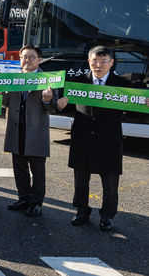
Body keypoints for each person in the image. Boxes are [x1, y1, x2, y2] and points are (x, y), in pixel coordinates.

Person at [57, 46, 138, 232]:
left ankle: (108, 216)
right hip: (82, 137)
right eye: (95, 61)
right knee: (80, 178)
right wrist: (60, 105)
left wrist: (144, 103)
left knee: (110, 180)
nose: (98, 65)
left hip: (109, 139)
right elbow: (67, 107)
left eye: (103, 61)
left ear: (111, 63)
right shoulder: (77, 82)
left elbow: (132, 112)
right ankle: (81, 211)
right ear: (89, 61)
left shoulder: (122, 84)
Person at [0, 45, 57, 217]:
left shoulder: (48, 78)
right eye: (24, 57)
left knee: (38, 170)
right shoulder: (13, 78)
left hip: (36, 131)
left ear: (39, 59)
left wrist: (48, 99)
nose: (27, 60)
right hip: (16, 130)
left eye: (32, 57)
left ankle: (36, 202)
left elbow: (52, 107)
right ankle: (24, 197)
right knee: (19, 167)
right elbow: (6, 102)